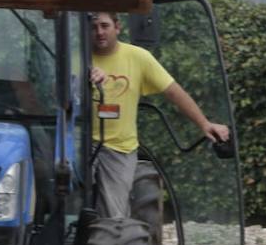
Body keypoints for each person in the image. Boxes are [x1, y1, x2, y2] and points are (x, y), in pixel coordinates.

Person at [87, 11, 230, 219]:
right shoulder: (79, 58)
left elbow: (173, 91)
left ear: (117, 27)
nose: (99, 32)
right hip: (81, 146)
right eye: (93, 27)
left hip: (118, 148)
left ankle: (114, 242)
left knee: (113, 216)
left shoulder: (138, 57)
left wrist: (204, 124)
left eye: (104, 25)